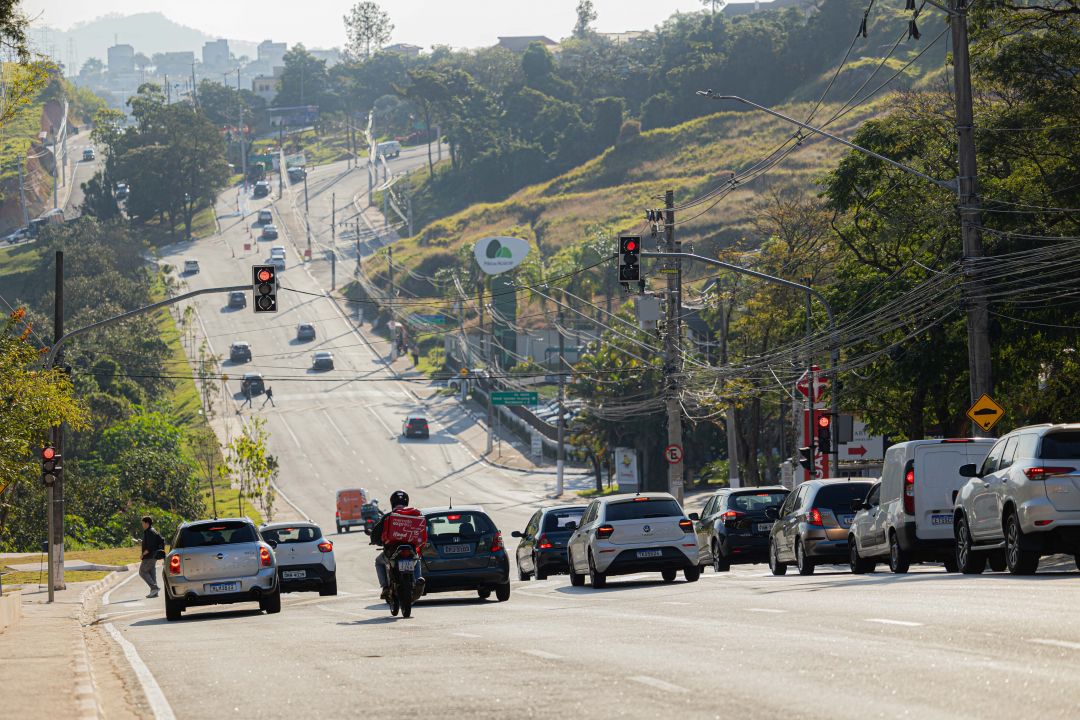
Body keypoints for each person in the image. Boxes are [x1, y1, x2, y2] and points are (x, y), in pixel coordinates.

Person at [369, 490, 426, 602]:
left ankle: (385, 587)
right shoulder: (415, 515)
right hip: (410, 551)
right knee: (416, 559)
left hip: (392, 552)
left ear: (392, 502)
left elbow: (375, 534)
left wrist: (375, 540)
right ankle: (418, 580)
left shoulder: (388, 516)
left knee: (378, 562)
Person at [139, 515, 165, 598]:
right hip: (154, 556)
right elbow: (152, 543)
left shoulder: (149, 532)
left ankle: (154, 588)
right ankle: (154, 592)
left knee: (142, 571)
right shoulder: (152, 531)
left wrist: (142, 554)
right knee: (151, 573)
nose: (142, 525)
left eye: (143, 523)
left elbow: (150, 547)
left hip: (149, 557)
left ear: (147, 523)